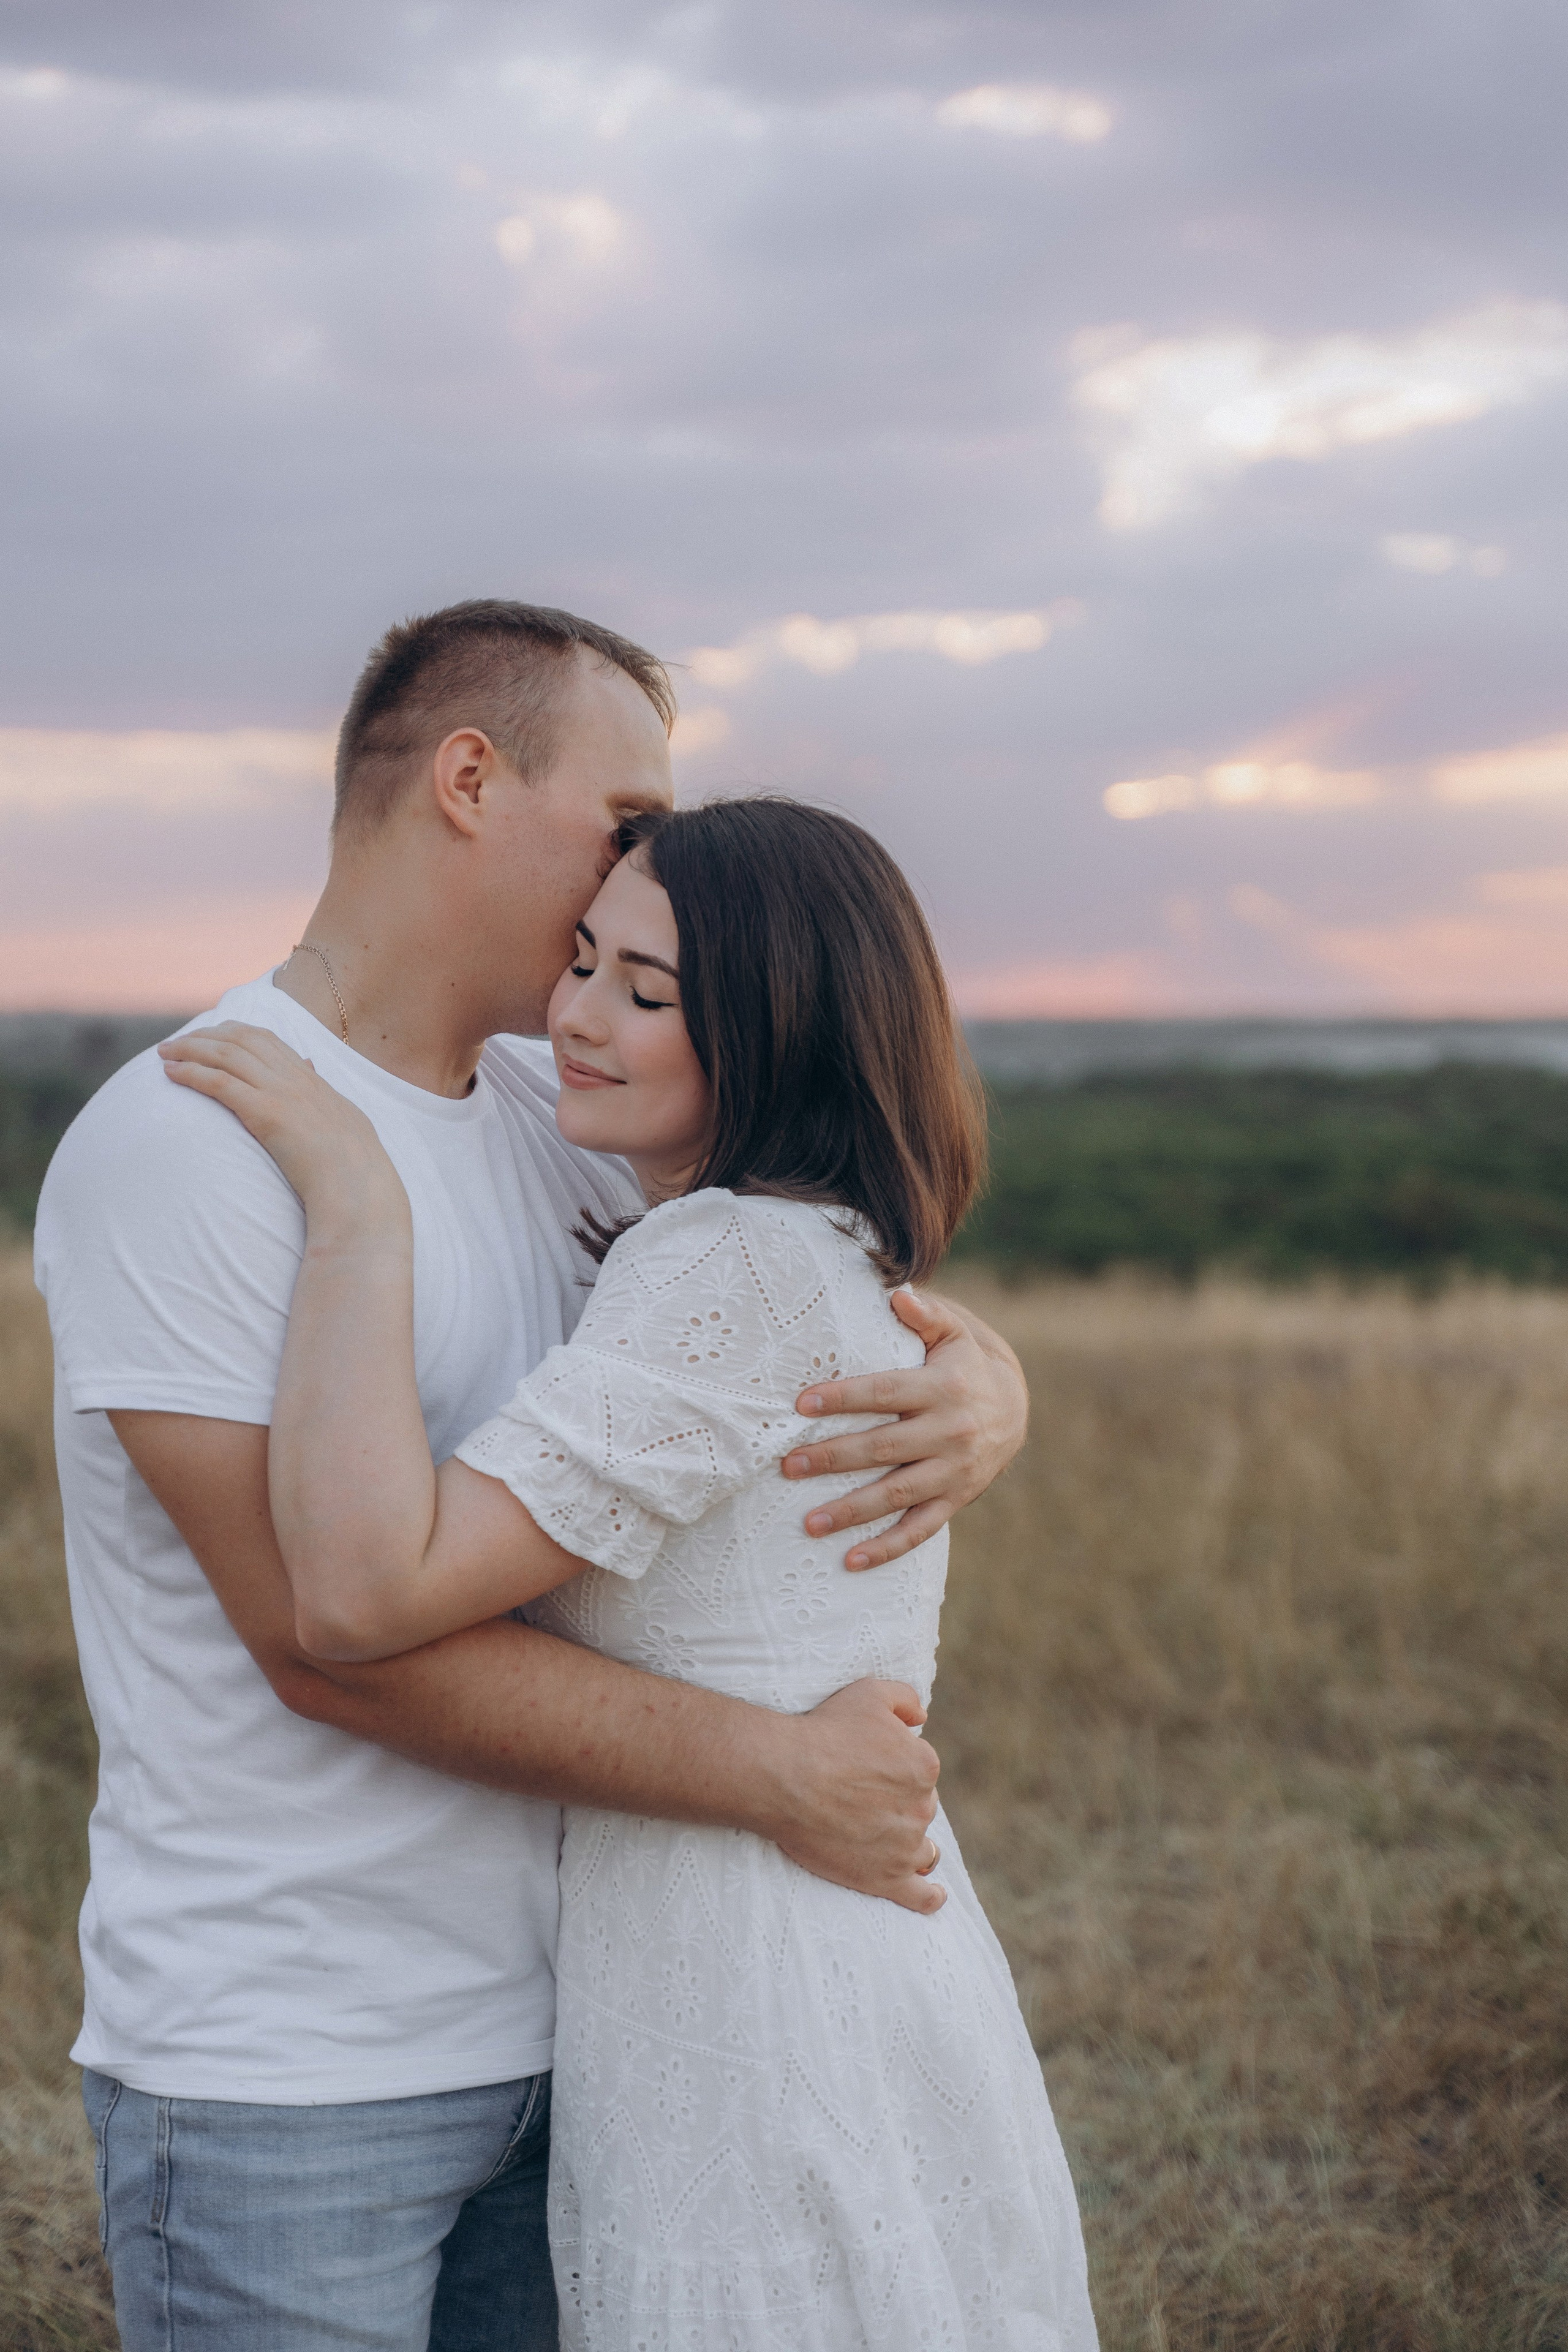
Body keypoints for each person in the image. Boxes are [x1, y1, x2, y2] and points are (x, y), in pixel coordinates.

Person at [34, 601, 1032, 2352]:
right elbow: (323, 1634)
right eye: (631, 820)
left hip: (597, 2032)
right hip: (302, 2067)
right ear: (473, 780)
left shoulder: (553, 1097)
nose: (645, 875)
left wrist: (981, 1387)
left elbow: (747, 1334)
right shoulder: (192, 1137)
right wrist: (777, 1773)